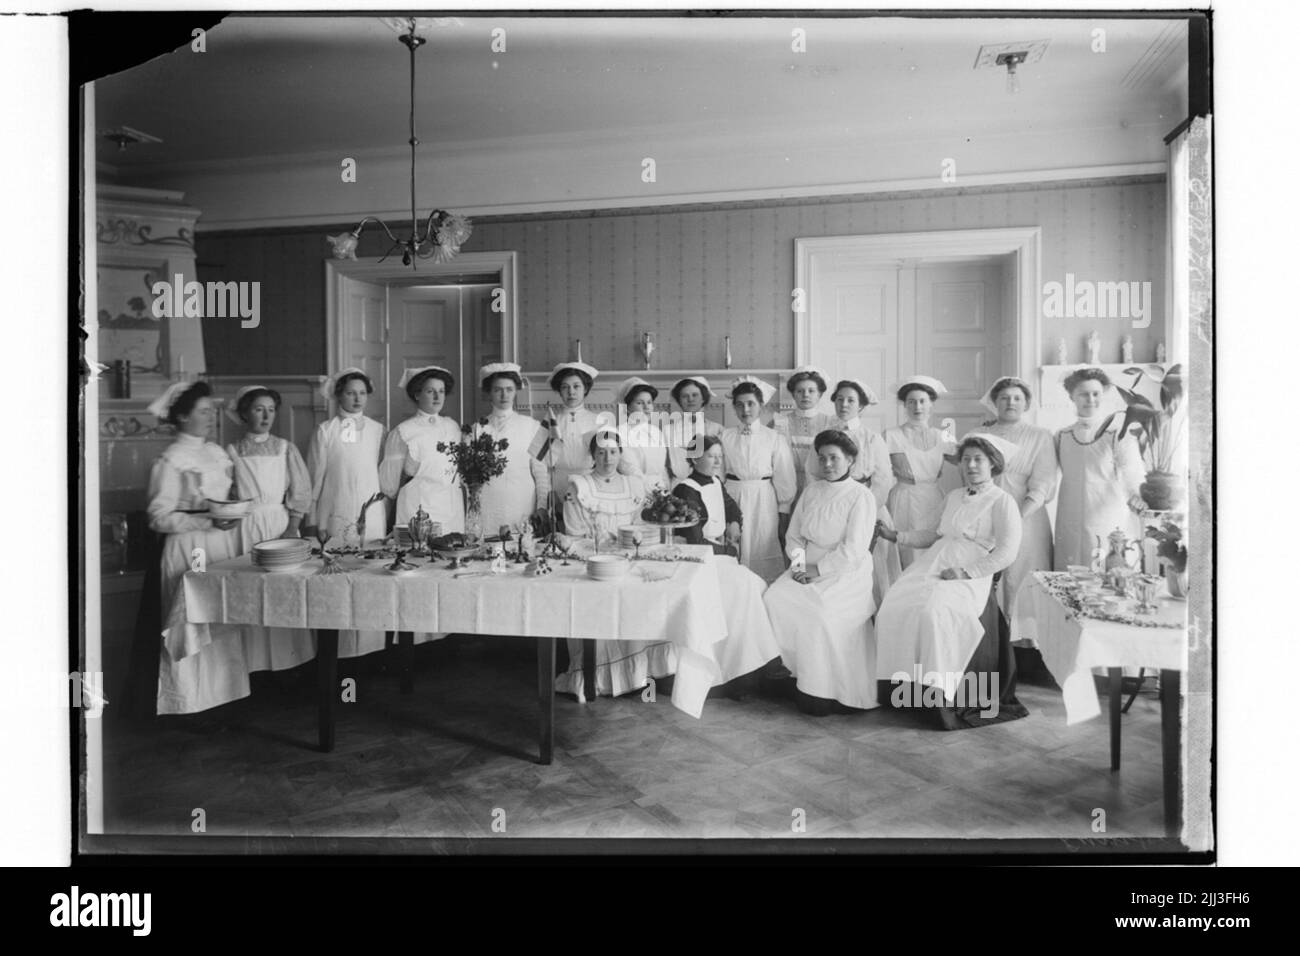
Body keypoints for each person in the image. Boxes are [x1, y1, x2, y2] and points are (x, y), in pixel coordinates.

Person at [874, 435, 1028, 728]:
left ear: (993, 464)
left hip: (972, 569)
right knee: (894, 604)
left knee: (934, 613)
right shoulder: (954, 496)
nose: (970, 465)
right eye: (966, 459)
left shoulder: (1002, 501)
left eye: (978, 459)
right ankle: (906, 694)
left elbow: (1007, 552)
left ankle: (940, 698)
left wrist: (965, 572)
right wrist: (898, 536)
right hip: (936, 560)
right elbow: (931, 532)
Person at [147, 381, 248, 714]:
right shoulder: (171, 459)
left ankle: (222, 697)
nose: (210, 416)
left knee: (220, 618)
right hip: (189, 549)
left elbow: (225, 498)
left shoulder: (216, 453)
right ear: (182, 417)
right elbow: (158, 517)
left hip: (219, 546)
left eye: (211, 410)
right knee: (191, 622)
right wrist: (205, 521)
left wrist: (229, 514)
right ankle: (190, 702)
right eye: (203, 411)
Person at [763, 430, 879, 714]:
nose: (827, 464)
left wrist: (819, 569)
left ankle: (822, 690)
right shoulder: (812, 491)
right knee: (774, 599)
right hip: (805, 564)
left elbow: (854, 549)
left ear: (850, 460)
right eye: (823, 458)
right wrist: (800, 564)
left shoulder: (861, 496)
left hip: (844, 571)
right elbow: (794, 535)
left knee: (820, 614)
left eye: (834, 458)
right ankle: (789, 676)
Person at [555, 430, 675, 699]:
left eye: (613, 452)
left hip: (629, 556)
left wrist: (630, 540)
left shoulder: (634, 484)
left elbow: (642, 524)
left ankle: (638, 673)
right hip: (593, 561)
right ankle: (597, 677)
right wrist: (599, 542)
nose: (607, 458)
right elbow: (574, 531)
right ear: (592, 455)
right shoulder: (579, 486)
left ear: (621, 453)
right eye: (601, 452)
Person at [224, 385, 315, 673]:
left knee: (287, 590)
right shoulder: (231, 452)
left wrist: (292, 527)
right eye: (258, 409)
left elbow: (301, 492)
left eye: (271, 409)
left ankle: (291, 662)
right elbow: (227, 493)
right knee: (251, 591)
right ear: (244, 413)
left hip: (281, 525)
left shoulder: (286, 448)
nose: (266, 416)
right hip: (247, 527)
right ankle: (255, 665)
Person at [306, 367, 388, 657]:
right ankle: (338, 652)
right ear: (338, 395)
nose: (357, 398)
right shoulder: (325, 431)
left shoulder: (378, 430)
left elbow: (382, 477)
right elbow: (314, 480)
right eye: (351, 392)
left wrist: (384, 517)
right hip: (336, 508)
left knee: (371, 576)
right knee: (338, 577)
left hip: (371, 513)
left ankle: (371, 649)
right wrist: (314, 519)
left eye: (362, 393)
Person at [803, 379, 900, 608]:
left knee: (870, 566)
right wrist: (825, 504)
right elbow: (812, 472)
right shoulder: (824, 437)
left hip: (868, 507)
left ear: (861, 406)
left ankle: (874, 616)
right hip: (830, 509)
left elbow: (883, 480)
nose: (844, 404)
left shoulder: (872, 438)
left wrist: (865, 512)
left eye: (850, 400)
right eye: (839, 399)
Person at [976, 377, 1059, 621]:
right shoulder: (980, 432)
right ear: (994, 402)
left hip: (1027, 515)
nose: (1010, 402)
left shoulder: (1040, 435)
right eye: (1004, 398)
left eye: (1017, 398)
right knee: (988, 571)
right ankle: (992, 642)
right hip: (986, 512)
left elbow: (1043, 481)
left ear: (1026, 404)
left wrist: (1016, 517)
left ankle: (1025, 646)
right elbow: (953, 452)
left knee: (1024, 573)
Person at [1053, 367, 1145, 570]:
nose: (1091, 399)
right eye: (1084, 394)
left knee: (1103, 567)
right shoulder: (1062, 435)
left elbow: (1131, 470)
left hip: (1107, 511)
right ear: (1072, 397)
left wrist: (1135, 495)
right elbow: (1047, 472)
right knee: (1071, 573)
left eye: (1096, 394)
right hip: (1070, 512)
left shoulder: (1117, 433)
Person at [721, 376, 797, 583]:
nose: (745, 409)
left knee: (761, 545)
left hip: (763, 499)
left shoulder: (774, 438)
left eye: (750, 403)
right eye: (739, 404)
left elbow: (785, 478)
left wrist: (783, 512)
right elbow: (718, 473)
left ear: (761, 406)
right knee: (733, 545)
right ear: (734, 408)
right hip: (731, 496)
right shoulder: (725, 436)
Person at [379, 365, 464, 531]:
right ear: (417, 394)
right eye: (430, 391)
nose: (437, 396)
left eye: (441, 391)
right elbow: (389, 484)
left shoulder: (453, 427)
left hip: (451, 509)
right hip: (418, 509)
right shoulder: (403, 432)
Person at [885, 375, 956, 569]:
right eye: (911, 402)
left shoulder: (943, 435)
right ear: (904, 405)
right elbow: (878, 469)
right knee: (907, 552)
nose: (917, 407)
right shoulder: (892, 435)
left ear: (931, 404)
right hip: (904, 499)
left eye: (922, 401)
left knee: (932, 550)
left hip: (934, 499)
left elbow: (964, 459)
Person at [477, 362, 551, 535]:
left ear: (516, 391)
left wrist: (541, 506)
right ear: (489, 393)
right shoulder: (477, 429)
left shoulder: (532, 427)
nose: (504, 395)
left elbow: (541, 473)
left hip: (521, 503)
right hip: (488, 505)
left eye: (509, 389)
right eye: (497, 390)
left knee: (520, 553)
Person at [543, 359, 602, 507]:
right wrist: (549, 492)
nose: (571, 392)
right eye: (565, 387)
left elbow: (604, 460)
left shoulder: (597, 421)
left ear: (585, 389)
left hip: (589, 483)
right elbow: (541, 463)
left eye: (576, 386)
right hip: (558, 484)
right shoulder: (551, 421)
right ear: (560, 391)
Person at [772, 365, 833, 495]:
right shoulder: (779, 423)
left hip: (820, 486)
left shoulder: (830, 423)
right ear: (793, 394)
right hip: (787, 484)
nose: (805, 395)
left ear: (820, 394)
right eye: (800, 391)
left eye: (811, 391)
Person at [616, 376, 672, 492]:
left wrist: (666, 491)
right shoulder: (620, 433)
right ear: (628, 407)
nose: (646, 407)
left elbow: (662, 469)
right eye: (640, 403)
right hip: (635, 489)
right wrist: (653, 492)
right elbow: (629, 468)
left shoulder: (656, 432)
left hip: (660, 490)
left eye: (649, 402)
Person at [667, 374, 723, 479]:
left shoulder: (717, 429)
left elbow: (720, 467)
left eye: (695, 395)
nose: (690, 399)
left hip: (709, 486)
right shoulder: (669, 431)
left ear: (703, 398)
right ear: (679, 401)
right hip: (679, 485)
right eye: (685, 396)